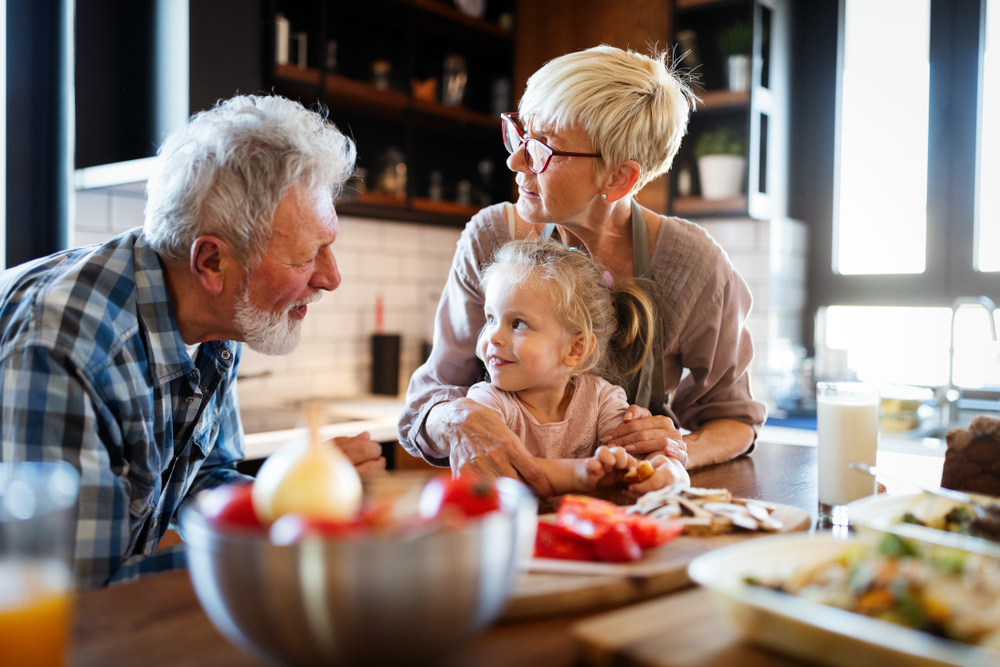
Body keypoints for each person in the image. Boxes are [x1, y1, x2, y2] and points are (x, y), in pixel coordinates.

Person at [0, 95, 384, 589]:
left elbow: (203, 479)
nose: (331, 278)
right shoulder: (65, 348)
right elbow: (77, 594)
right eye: (307, 256)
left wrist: (294, 498)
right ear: (211, 264)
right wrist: (291, 550)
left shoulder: (220, 319)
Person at [399, 45, 767, 496]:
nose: (516, 161)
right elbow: (427, 399)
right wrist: (456, 419)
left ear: (618, 179)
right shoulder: (492, 237)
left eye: (544, 149)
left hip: (629, 513)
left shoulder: (692, 263)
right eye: (521, 135)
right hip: (505, 510)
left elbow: (734, 417)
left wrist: (681, 447)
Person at [469, 239, 689, 497]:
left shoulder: (601, 399)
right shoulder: (485, 404)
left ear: (576, 349)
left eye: (518, 323)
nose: (493, 337)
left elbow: (635, 455)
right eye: (491, 318)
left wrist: (669, 470)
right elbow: (498, 471)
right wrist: (580, 474)